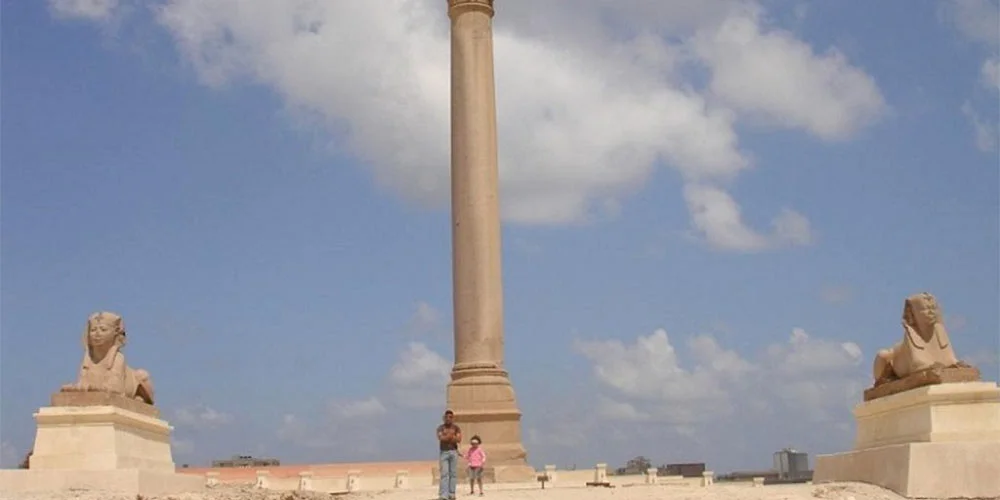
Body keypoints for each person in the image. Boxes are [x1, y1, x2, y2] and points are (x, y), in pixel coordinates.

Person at [436, 409, 462, 500]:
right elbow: (441, 438)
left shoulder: (456, 428)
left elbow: (458, 440)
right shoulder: (440, 428)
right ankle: (443, 495)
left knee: (453, 474)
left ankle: (451, 494)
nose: (448, 419)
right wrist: (451, 436)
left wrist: (448, 436)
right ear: (444, 418)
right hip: (444, 452)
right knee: (444, 474)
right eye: (446, 417)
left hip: (453, 452)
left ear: (453, 418)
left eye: (450, 417)